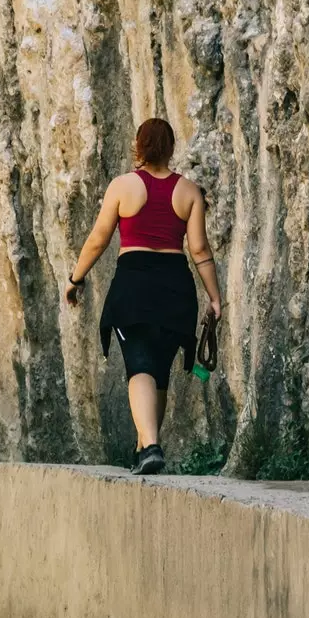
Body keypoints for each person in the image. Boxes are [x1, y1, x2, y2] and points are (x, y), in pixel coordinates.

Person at [64, 118, 223, 475]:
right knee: (160, 370)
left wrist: (75, 278)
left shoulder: (123, 186)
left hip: (134, 285)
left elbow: (99, 238)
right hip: (175, 287)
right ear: (170, 149)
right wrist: (215, 298)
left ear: (139, 146)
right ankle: (142, 448)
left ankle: (151, 445)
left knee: (139, 365)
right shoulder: (189, 191)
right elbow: (199, 249)